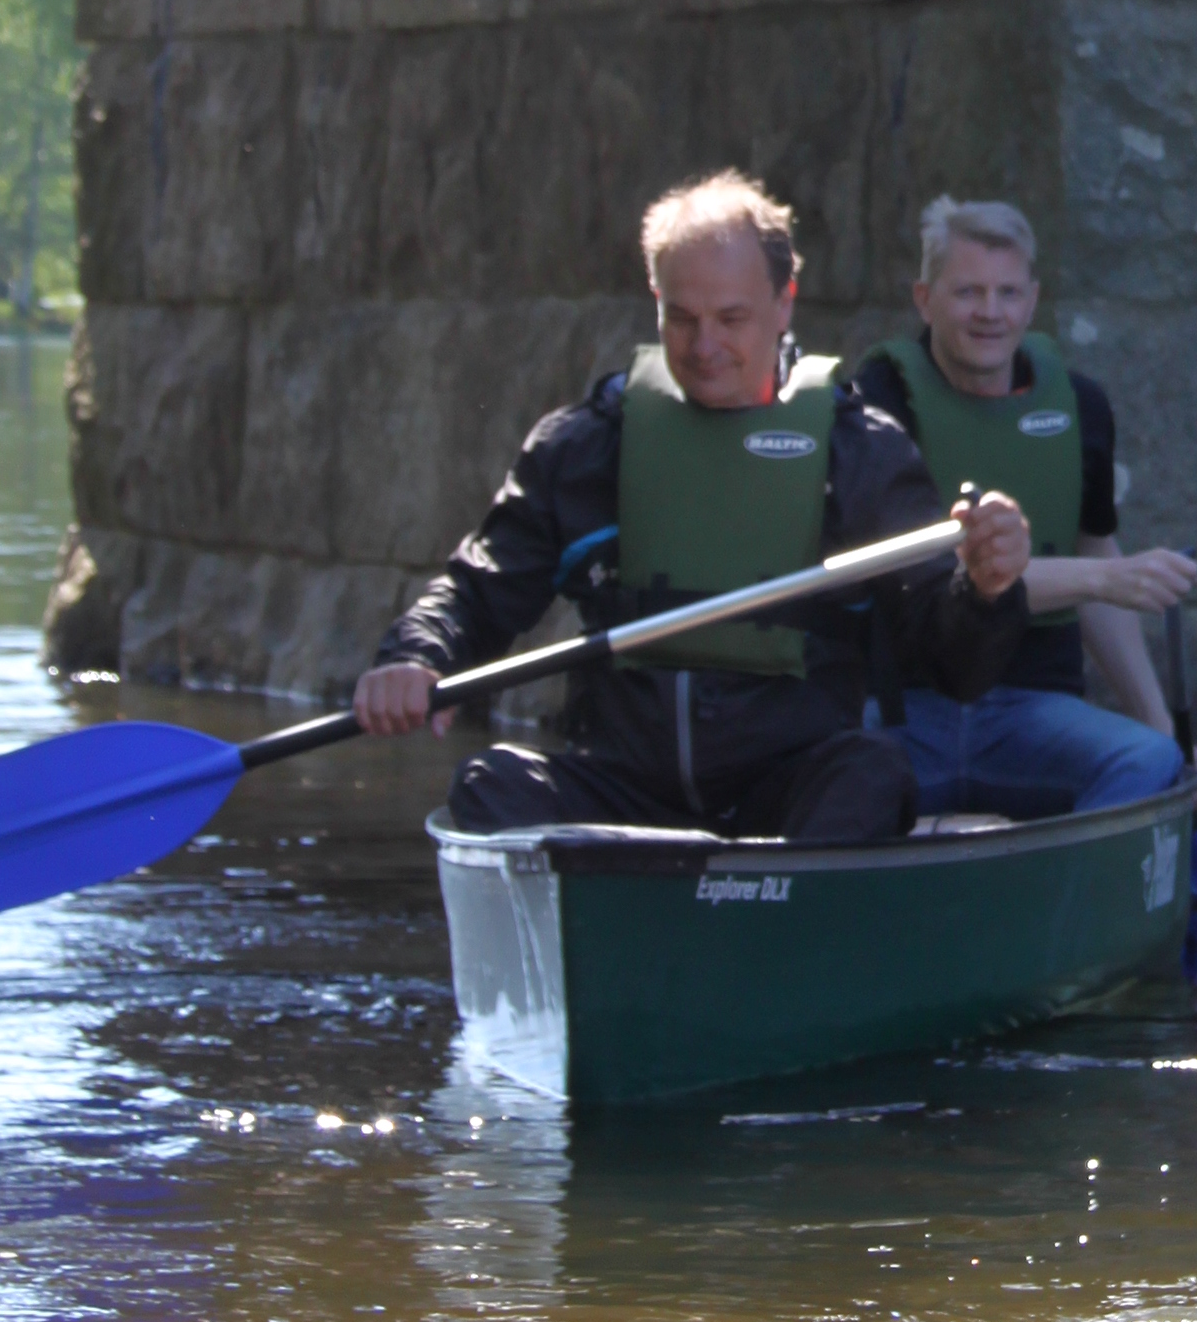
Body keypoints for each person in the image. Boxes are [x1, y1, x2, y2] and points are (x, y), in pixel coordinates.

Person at [353, 169, 1030, 846]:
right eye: (682, 318)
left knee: (874, 774)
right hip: (623, 794)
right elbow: (478, 590)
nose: (704, 348)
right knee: (490, 784)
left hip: (783, 793)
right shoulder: (590, 446)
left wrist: (985, 590)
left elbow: (954, 662)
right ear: (657, 302)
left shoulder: (859, 454)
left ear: (783, 302)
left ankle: (776, 919)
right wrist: (416, 656)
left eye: (731, 319)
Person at [850, 198, 1197, 823]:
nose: (990, 312)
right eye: (967, 292)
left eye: (1008, 293)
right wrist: (1105, 579)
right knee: (819, 770)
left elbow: (1096, 550)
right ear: (924, 298)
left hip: (1033, 710)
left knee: (1150, 762)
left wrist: (1161, 725)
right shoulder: (879, 405)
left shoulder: (1082, 408)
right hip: (907, 712)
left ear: (1033, 299)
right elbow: (930, 575)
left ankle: (1070, 899)